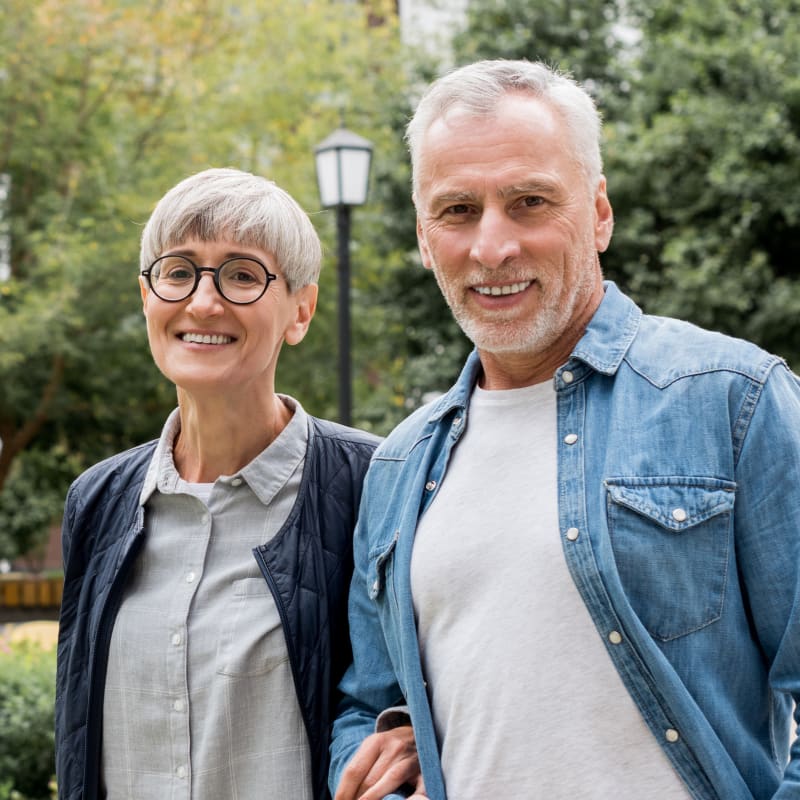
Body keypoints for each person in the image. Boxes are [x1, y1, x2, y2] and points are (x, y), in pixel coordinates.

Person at [329, 59, 800, 800]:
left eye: (529, 201)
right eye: (456, 211)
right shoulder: (399, 464)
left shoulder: (732, 401)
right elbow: (367, 701)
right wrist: (380, 760)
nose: (491, 247)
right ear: (425, 238)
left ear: (599, 212)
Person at [55, 168, 420, 800]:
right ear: (147, 297)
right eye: (178, 271)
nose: (203, 302)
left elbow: (431, 684)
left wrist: (417, 732)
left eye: (243, 275)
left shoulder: (378, 481)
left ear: (300, 312)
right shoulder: (98, 500)